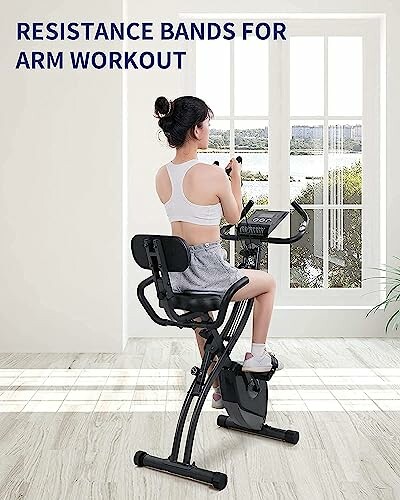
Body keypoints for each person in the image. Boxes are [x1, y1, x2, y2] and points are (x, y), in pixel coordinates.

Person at [154, 95, 283, 410]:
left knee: (203, 318)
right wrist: (233, 178)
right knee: (267, 283)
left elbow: (189, 212)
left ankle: (218, 385)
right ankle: (257, 356)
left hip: (177, 277)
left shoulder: (161, 174)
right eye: (208, 124)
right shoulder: (211, 174)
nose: (209, 130)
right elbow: (235, 216)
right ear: (197, 130)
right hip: (209, 272)